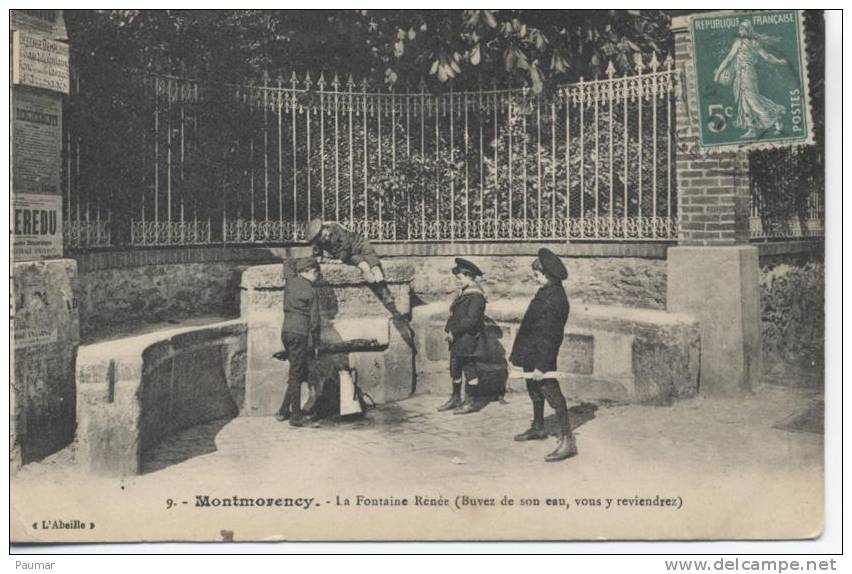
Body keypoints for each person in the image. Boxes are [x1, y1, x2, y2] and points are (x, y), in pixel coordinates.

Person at [305, 218, 416, 351]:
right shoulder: (320, 242)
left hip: (359, 245)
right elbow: (316, 254)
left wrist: (339, 260)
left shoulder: (336, 228)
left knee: (375, 267)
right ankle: (375, 283)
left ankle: (384, 291)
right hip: (352, 256)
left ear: (325, 229)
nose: (325, 238)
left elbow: (346, 245)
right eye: (321, 238)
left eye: (324, 235)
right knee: (364, 267)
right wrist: (319, 258)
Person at [509, 248, 577, 462]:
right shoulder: (546, 291)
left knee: (551, 393)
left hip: (541, 355)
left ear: (548, 275)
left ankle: (568, 440)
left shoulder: (555, 299)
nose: (534, 278)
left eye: (537, 275)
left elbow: (551, 336)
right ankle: (538, 427)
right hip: (532, 352)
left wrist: (542, 365)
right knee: (534, 390)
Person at [714, 19, 788, 139]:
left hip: (747, 74)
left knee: (753, 101)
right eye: (739, 29)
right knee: (745, 103)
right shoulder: (745, 42)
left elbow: (766, 56)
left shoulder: (750, 43)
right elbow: (729, 58)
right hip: (741, 74)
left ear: (748, 30)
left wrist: (779, 61)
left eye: (742, 29)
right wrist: (719, 73)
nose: (740, 31)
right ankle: (752, 129)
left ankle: (775, 117)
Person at [439, 258, 488, 415]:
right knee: (455, 368)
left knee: (469, 368)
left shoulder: (476, 296)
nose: (458, 282)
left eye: (460, 278)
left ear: (469, 276)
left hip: (468, 338)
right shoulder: (464, 293)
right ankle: (455, 398)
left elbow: (471, 320)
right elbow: (454, 315)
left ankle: (471, 401)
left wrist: (454, 332)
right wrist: (448, 330)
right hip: (458, 339)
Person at [277, 256, 321, 427]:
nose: (317, 277)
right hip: (300, 334)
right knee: (296, 375)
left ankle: (282, 411)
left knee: (298, 370)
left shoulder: (290, 281)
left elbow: (287, 261)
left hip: (286, 331)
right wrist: (316, 344)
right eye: (317, 273)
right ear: (310, 272)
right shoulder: (311, 291)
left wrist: (302, 261)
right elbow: (315, 322)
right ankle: (296, 416)